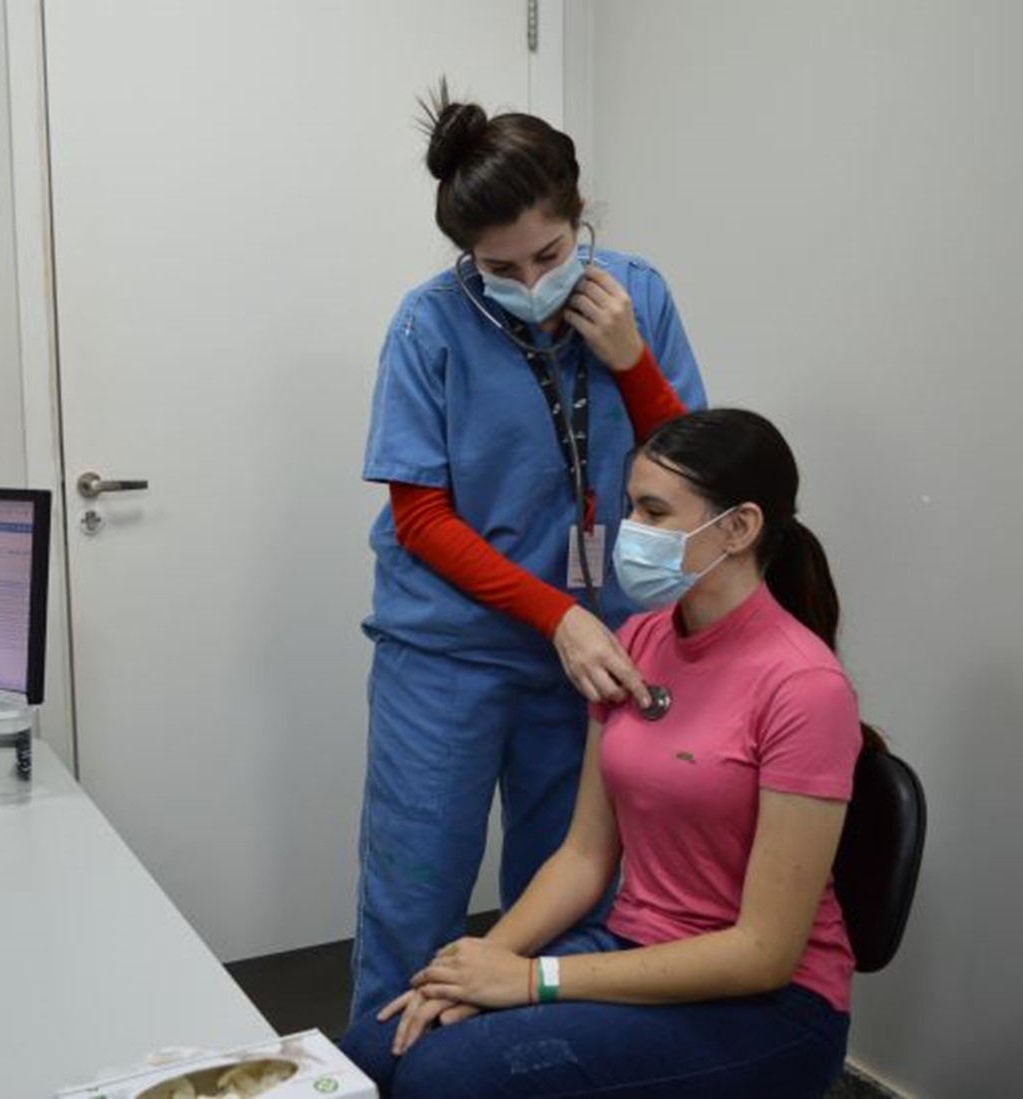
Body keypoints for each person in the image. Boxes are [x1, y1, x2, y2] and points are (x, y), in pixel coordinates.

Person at [341, 408, 865, 1099]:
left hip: (767, 1008)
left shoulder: (805, 686)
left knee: (444, 1078)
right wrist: (486, 961)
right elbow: (584, 856)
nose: (630, 530)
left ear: (739, 527)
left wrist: (532, 978)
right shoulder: (640, 641)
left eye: (654, 511)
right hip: (636, 948)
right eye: (630, 507)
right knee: (371, 1050)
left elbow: (762, 953)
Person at [353, 83, 707, 1024]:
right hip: (451, 651)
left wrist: (630, 358)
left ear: (578, 213)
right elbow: (420, 517)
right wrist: (556, 615)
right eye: (497, 265)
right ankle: (380, 1074)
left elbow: (691, 470)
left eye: (547, 254)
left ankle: (525, 1072)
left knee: (565, 903)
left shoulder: (639, 295)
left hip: (596, 650)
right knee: (413, 894)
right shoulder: (429, 323)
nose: (528, 281)